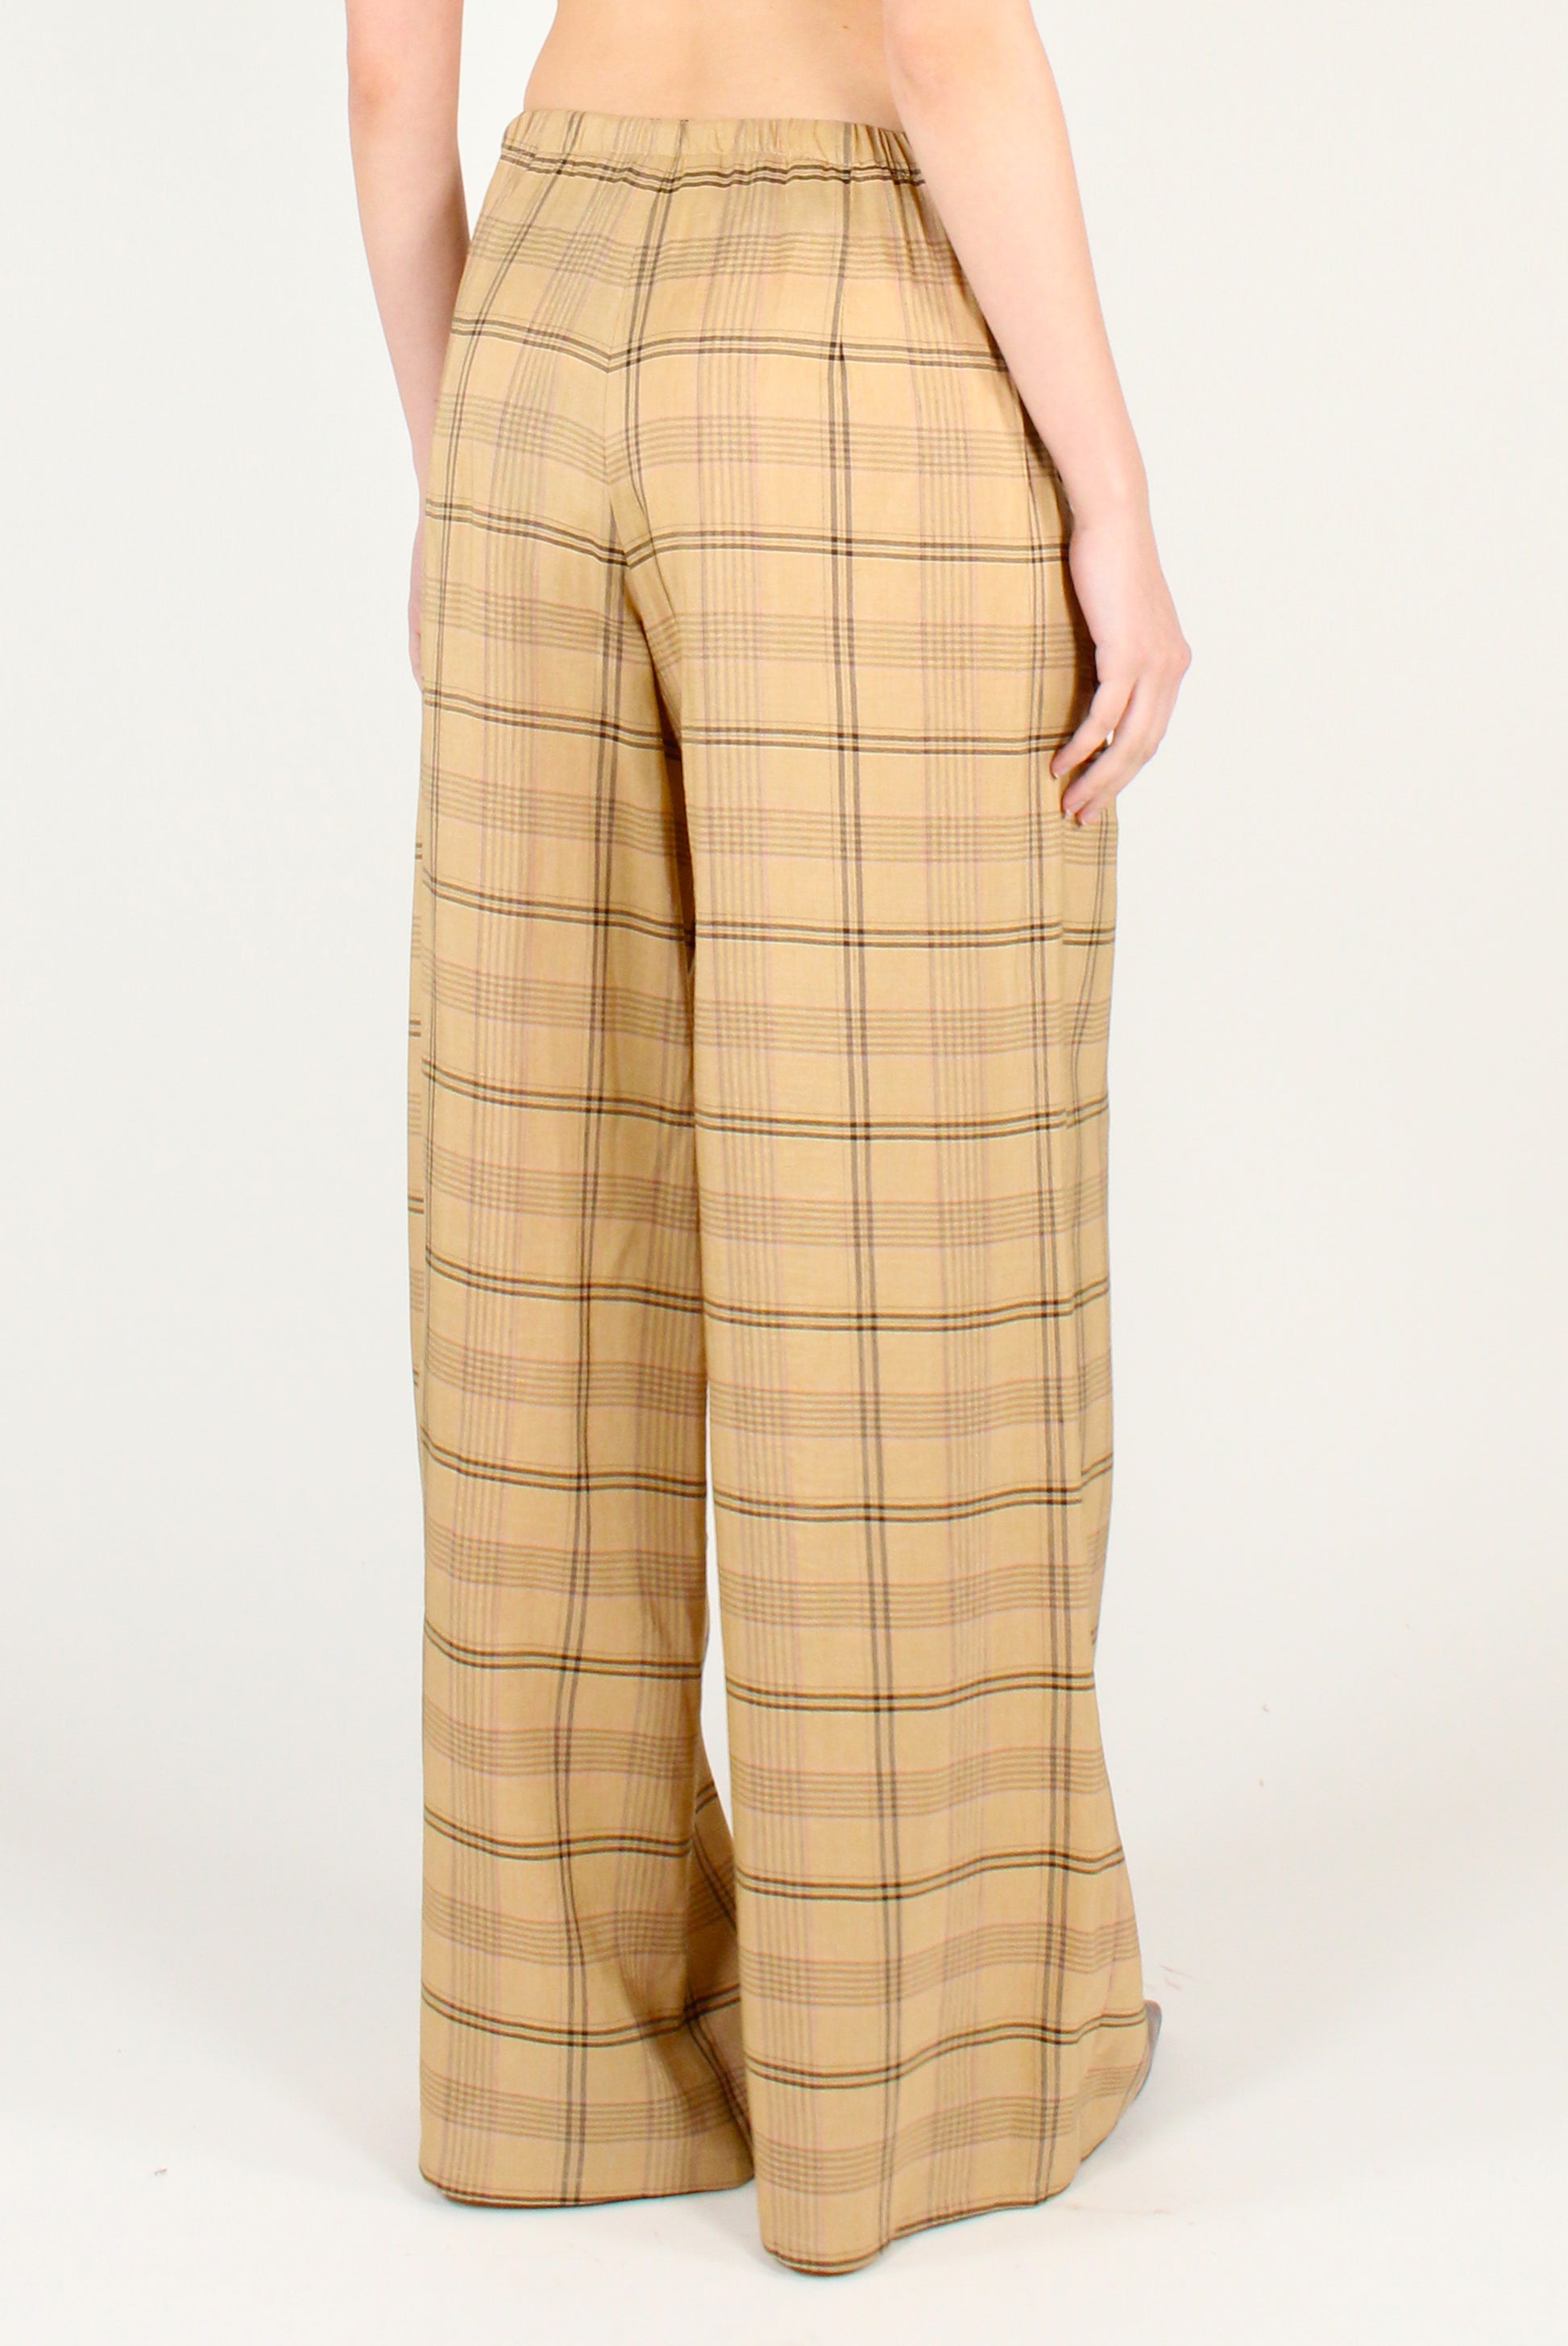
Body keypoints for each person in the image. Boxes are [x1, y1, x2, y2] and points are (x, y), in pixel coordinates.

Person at [346, 0, 1190, 2277]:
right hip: (838, 324)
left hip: (534, 323)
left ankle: (559, 2065)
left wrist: (462, 458)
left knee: (546, 1205)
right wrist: (1112, 500)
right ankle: (907, 2066)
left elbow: (390, 80)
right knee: (893, 1210)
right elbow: (938, 40)